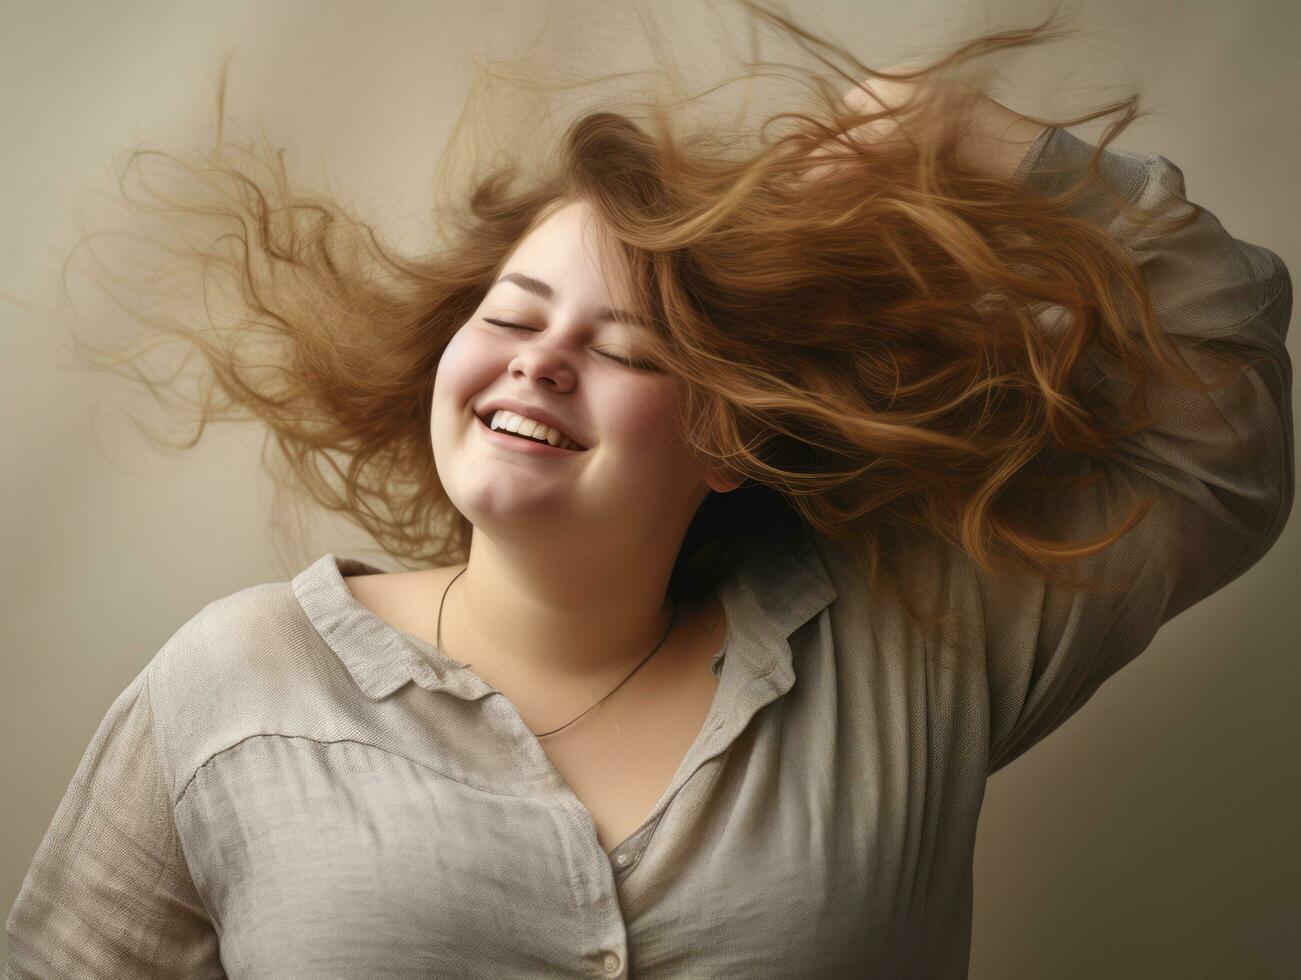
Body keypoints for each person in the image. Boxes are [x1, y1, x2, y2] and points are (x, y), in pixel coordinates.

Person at [5, 2, 1292, 977]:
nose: (541, 362)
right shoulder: (233, 683)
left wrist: (949, 128)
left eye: (626, 350)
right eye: (512, 316)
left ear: (728, 439)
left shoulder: (907, 653)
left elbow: (1220, 404)